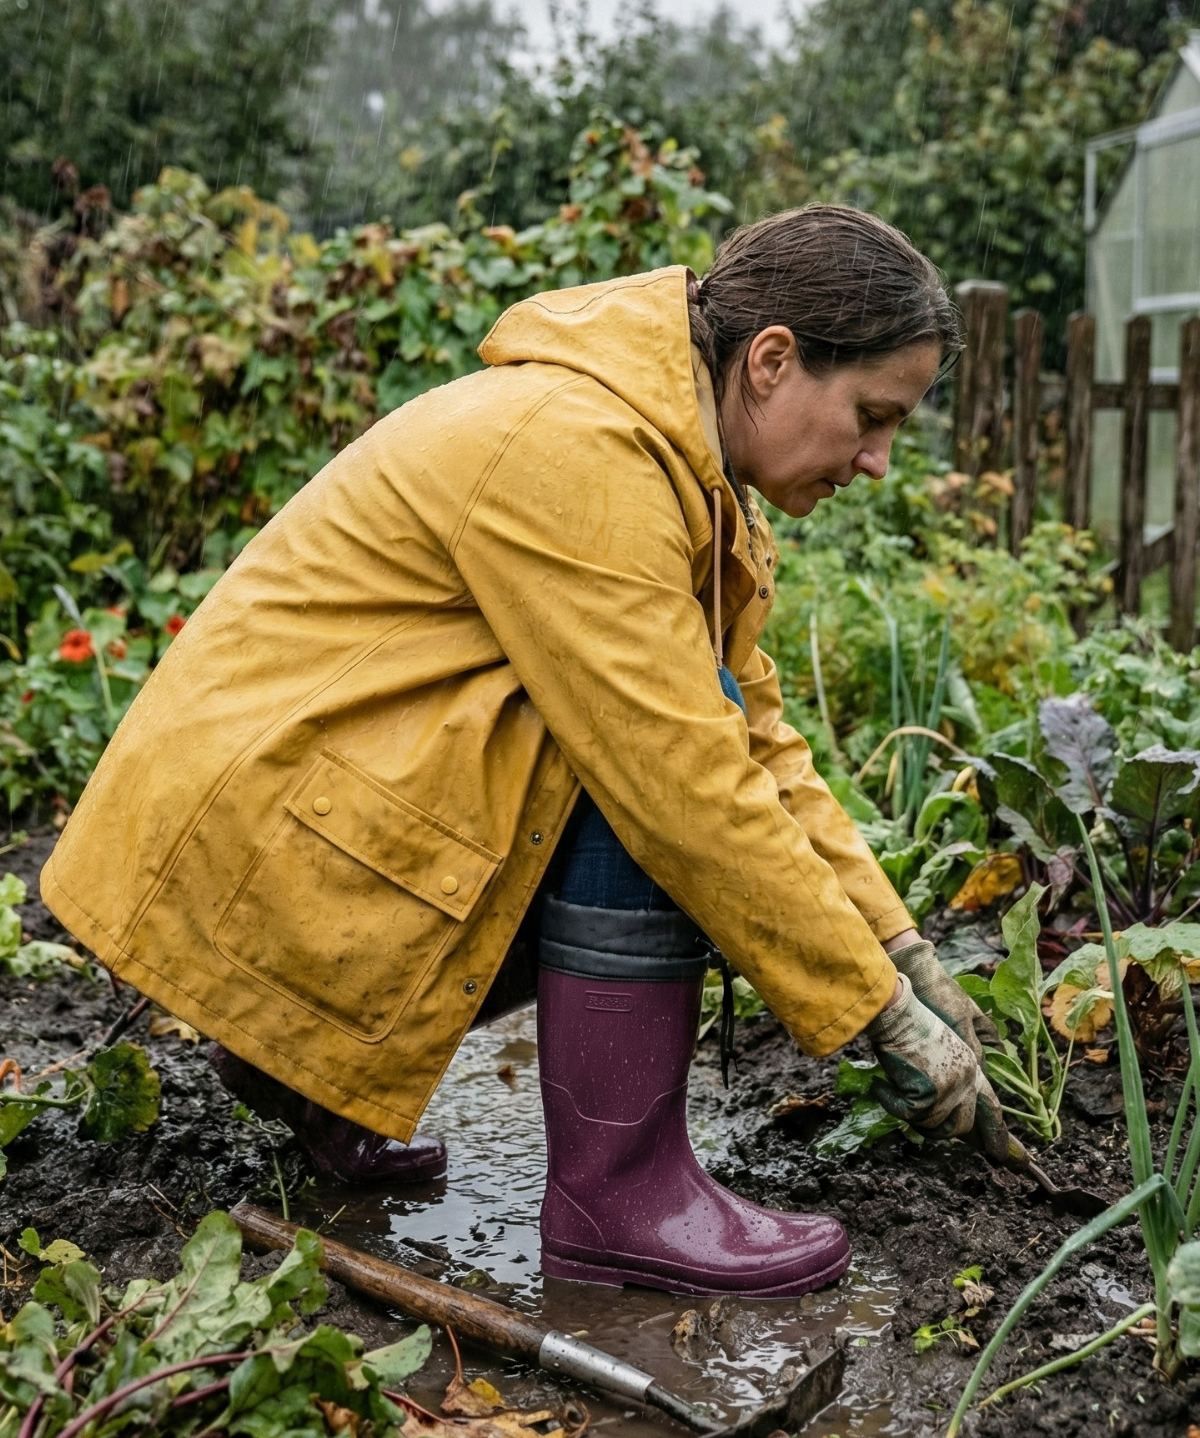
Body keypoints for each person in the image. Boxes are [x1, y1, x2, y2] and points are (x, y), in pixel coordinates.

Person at [43, 203, 1009, 1299]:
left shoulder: (672, 464)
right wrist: (876, 1014)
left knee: (682, 727)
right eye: (872, 416)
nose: (878, 460)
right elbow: (688, 785)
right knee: (643, 781)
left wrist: (901, 948)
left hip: (287, 831)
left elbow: (760, 743)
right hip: (251, 847)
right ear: (773, 360)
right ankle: (623, 1193)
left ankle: (307, 1080)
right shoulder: (581, 452)